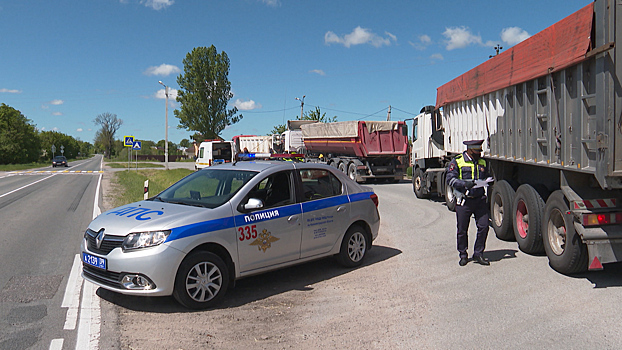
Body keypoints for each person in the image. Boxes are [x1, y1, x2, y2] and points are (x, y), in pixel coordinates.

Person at [446, 140, 492, 266]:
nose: (479, 153)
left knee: (484, 226)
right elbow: (450, 179)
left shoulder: (482, 162)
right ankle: (463, 254)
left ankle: (478, 253)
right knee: (462, 230)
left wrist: (489, 180)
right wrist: (464, 184)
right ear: (470, 150)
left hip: (479, 200)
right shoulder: (457, 161)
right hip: (464, 200)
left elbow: (486, 175)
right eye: (477, 151)